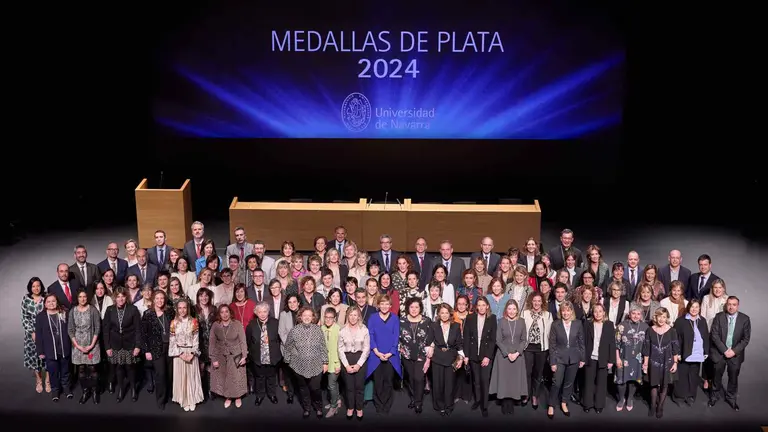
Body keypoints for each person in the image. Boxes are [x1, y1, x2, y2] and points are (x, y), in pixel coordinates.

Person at [284, 307, 328, 419]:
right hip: (299, 365)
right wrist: (288, 361)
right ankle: (307, 408)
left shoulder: (318, 330)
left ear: (313, 317)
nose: (307, 317)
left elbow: (323, 347)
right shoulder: (294, 330)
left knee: (315, 388)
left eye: (309, 315)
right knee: (303, 389)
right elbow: (288, 346)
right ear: (300, 317)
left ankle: (318, 407)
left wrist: (325, 362)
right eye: (305, 315)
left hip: (316, 365)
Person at [708, 296, 751, 411]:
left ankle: (731, 399)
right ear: (726, 305)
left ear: (738, 306)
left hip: (735, 355)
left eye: (734, 304)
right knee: (716, 377)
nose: (731, 307)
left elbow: (746, 339)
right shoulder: (719, 317)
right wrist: (725, 350)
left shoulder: (745, 319)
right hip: (720, 353)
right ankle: (714, 397)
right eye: (729, 304)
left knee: (733, 378)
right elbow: (714, 335)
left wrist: (733, 351)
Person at [102, 288, 142, 402]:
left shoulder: (133, 309)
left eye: (123, 296)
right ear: (115, 298)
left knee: (130, 367)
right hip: (115, 344)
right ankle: (121, 389)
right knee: (119, 367)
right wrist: (107, 347)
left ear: (126, 297)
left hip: (130, 343)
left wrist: (138, 346)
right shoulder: (110, 310)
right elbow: (106, 330)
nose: (120, 299)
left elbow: (138, 329)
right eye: (118, 296)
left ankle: (133, 388)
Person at [547, 301, 585, 419]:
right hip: (559, 358)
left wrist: (582, 358)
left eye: (568, 310)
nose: (565, 313)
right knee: (556, 382)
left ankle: (564, 403)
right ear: (560, 312)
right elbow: (552, 345)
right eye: (563, 310)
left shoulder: (578, 323)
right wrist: (553, 362)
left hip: (574, 357)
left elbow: (581, 342)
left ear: (571, 311)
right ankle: (551, 405)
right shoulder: (555, 324)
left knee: (569, 383)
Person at [490, 299, 528, 415]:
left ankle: (511, 402)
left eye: (514, 309)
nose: (511, 311)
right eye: (509, 308)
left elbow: (524, 340)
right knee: (504, 379)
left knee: (514, 380)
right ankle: (505, 402)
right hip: (503, 354)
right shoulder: (501, 321)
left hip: (518, 355)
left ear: (517, 310)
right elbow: (498, 340)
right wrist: (507, 353)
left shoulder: (521, 321)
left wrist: (517, 353)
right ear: (506, 309)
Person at [366, 295, 402, 414]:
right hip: (376, 355)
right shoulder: (372, 318)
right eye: (382, 303)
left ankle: (387, 404)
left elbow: (396, 336)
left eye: (387, 304)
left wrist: (390, 353)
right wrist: (376, 352)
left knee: (388, 381)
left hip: (390, 356)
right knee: (378, 381)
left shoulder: (395, 318)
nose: (384, 306)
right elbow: (370, 335)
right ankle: (378, 404)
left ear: (391, 306)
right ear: (378, 305)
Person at [642, 307, 680, 418]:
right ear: (656, 317)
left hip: (667, 361)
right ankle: (653, 406)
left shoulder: (672, 331)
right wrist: (645, 364)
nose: (661, 319)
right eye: (659, 316)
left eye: (664, 317)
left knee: (664, 385)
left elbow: (675, 348)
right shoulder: (650, 330)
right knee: (653, 384)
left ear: (667, 318)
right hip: (653, 362)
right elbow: (646, 348)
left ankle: (660, 407)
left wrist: (675, 363)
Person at [35, 294, 73, 402]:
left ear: (57, 302)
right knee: (53, 372)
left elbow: (70, 330)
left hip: (64, 348)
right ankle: (55, 390)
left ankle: (66, 388)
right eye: (49, 302)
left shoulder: (64, 313)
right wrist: (40, 351)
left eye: (53, 301)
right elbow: (39, 335)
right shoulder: (41, 317)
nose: (51, 303)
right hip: (50, 350)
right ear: (45, 304)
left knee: (65, 371)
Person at [463, 296, 496, 417]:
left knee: (484, 381)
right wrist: (466, 355)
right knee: (476, 381)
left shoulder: (492, 318)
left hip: (485, 355)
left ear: (487, 306)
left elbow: (492, 340)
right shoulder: (470, 318)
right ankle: (477, 400)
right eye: (479, 305)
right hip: (473, 354)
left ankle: (485, 405)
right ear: (476, 307)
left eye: (484, 305)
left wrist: (487, 356)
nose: (481, 307)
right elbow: (466, 337)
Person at [429, 303, 464, 416]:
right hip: (437, 357)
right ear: (439, 314)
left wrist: (461, 358)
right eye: (442, 312)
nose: (444, 315)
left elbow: (459, 344)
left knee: (449, 384)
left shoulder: (455, 326)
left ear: (450, 313)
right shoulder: (434, 325)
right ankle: (439, 406)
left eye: (446, 312)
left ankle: (449, 406)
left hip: (451, 358)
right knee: (437, 384)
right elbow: (429, 341)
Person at [398, 297, 432, 415]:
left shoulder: (427, 321)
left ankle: (418, 402)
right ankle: (413, 398)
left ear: (420, 308)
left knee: (419, 378)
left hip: (421, 355)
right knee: (411, 378)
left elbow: (431, 338)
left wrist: (429, 356)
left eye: (416, 307)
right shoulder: (401, 320)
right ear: (408, 308)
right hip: (406, 355)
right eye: (411, 307)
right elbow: (398, 338)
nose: (414, 309)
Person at [210, 304, 248, 408]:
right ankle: (228, 397)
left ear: (230, 312)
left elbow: (242, 341)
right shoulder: (215, 325)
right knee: (224, 377)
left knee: (237, 377)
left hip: (236, 354)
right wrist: (213, 358)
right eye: (222, 312)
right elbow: (212, 343)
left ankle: (238, 396)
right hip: (221, 354)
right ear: (219, 314)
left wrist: (244, 356)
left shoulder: (237, 324)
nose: (224, 314)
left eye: (226, 311)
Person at [169, 299, 204, 411]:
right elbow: (172, 341)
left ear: (187, 308)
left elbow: (196, 340)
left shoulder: (193, 321)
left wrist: (192, 353)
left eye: (184, 307)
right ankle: (183, 399)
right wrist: (180, 354)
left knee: (191, 378)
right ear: (177, 309)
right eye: (180, 308)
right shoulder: (173, 322)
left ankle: (192, 399)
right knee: (181, 378)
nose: (182, 310)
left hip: (190, 352)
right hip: (179, 354)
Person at [67, 291, 102, 404]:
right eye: (80, 297)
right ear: (77, 298)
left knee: (93, 369)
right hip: (78, 345)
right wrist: (77, 346)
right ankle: (85, 392)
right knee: (81, 370)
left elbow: (97, 328)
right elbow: (70, 330)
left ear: (87, 297)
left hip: (92, 343)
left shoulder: (93, 310)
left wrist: (91, 345)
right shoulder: (73, 311)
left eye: (84, 296)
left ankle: (95, 392)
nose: (82, 299)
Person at [141, 290, 173, 410]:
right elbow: (144, 334)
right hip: (155, 348)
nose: (160, 301)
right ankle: (161, 400)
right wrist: (147, 350)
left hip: (170, 347)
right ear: (153, 299)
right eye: (157, 298)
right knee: (160, 374)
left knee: (170, 374)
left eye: (162, 298)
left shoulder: (169, 312)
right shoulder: (148, 314)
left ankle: (170, 396)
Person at [581, 303, 616, 414]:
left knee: (601, 383)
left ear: (604, 312)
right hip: (590, 357)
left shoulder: (609, 325)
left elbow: (612, 343)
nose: (598, 314)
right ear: (592, 312)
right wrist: (582, 358)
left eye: (600, 311)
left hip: (603, 358)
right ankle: (587, 404)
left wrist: (611, 360)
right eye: (595, 311)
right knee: (588, 382)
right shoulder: (587, 324)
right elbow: (583, 342)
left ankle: (599, 405)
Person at [673, 299, 709, 406]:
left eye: (696, 307)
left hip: (697, 354)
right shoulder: (680, 321)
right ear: (689, 307)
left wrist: (706, 351)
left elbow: (706, 337)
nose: (694, 309)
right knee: (681, 375)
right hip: (684, 353)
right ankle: (679, 396)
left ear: (699, 308)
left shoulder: (702, 320)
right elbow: (676, 339)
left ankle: (690, 396)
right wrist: (677, 353)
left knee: (693, 376)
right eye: (692, 307)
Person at [521, 292, 553, 410]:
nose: (537, 303)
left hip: (542, 348)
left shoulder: (548, 315)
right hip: (527, 347)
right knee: (527, 372)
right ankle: (526, 394)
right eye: (534, 300)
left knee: (538, 373)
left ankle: (535, 395)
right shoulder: (525, 314)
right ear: (531, 301)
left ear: (542, 302)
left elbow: (550, 334)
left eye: (539, 301)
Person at [614, 304, 648, 412]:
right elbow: (616, 343)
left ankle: (630, 398)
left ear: (641, 315)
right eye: (633, 313)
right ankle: (621, 399)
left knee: (634, 380)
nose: (636, 316)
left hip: (638, 358)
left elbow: (647, 347)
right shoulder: (622, 325)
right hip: (624, 357)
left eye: (638, 314)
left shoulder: (645, 327)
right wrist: (617, 358)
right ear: (629, 314)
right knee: (621, 380)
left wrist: (645, 362)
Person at [338, 306, 370, 420]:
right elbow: (340, 349)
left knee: (359, 386)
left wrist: (358, 364)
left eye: (355, 315)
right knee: (349, 387)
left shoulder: (364, 329)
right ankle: (350, 407)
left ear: (358, 317)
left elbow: (367, 348)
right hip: (346, 359)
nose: (353, 317)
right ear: (347, 316)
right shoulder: (342, 330)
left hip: (360, 359)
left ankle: (359, 408)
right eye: (350, 315)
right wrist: (346, 365)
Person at [22, 277, 48, 394]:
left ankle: (48, 380)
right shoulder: (26, 300)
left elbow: (51, 313)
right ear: (30, 288)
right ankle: (38, 379)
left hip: (46, 333)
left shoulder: (46, 298)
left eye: (38, 286)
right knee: (34, 358)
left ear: (41, 286)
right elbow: (25, 318)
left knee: (48, 357)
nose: (36, 288)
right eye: (33, 286)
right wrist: (33, 332)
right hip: (31, 334)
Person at [320, 307, 342, 417]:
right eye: (326, 318)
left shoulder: (338, 329)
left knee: (331, 385)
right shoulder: (322, 328)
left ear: (334, 318)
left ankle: (334, 407)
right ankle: (337, 400)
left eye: (330, 318)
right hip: (325, 362)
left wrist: (338, 364)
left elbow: (340, 348)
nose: (328, 320)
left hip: (335, 362)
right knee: (334, 384)